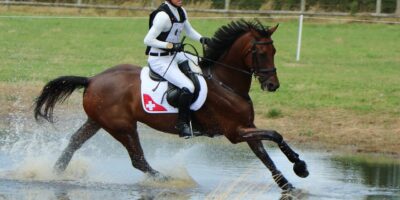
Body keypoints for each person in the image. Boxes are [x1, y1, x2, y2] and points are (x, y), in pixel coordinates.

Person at [144, 0, 210, 138]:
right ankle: (182, 124)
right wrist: (171, 46)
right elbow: (148, 40)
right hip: (159, 59)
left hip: (175, 55)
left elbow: (190, 31)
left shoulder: (181, 10)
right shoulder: (163, 16)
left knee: (204, 64)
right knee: (188, 87)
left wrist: (203, 39)